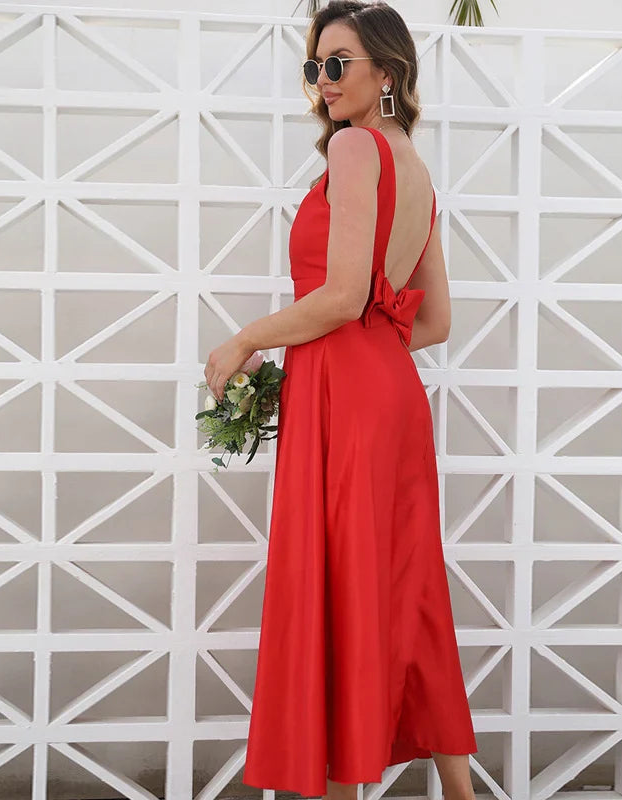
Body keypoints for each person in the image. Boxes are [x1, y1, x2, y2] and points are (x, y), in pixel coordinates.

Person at [202, 1, 478, 798]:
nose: (322, 82)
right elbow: (432, 320)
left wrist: (248, 339)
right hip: (388, 394)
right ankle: (458, 790)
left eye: (339, 63)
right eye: (315, 66)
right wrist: (353, 348)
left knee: (341, 588)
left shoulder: (356, 147)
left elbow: (343, 294)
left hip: (349, 404)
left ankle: (343, 782)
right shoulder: (415, 168)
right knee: (402, 586)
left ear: (384, 74)